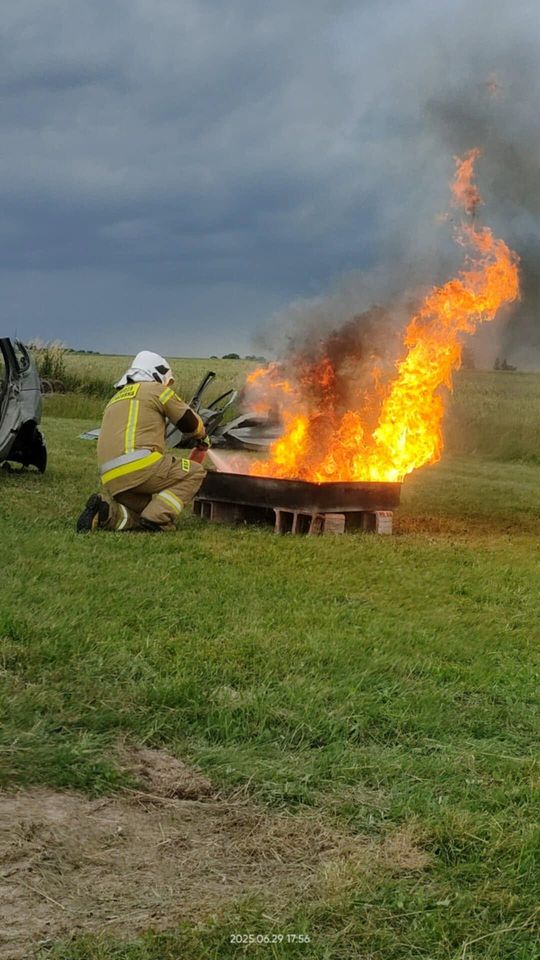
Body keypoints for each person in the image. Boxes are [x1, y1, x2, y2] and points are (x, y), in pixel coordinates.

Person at [76, 351, 209, 532]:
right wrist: (202, 435)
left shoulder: (116, 398)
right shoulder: (155, 389)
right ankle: (158, 518)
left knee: (141, 512)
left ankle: (106, 511)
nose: (167, 386)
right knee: (195, 472)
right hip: (139, 466)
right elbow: (189, 422)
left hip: (111, 477)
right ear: (157, 373)